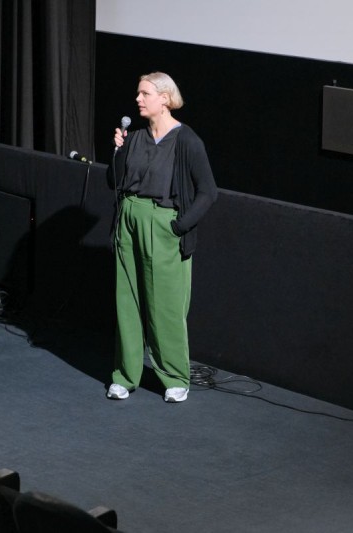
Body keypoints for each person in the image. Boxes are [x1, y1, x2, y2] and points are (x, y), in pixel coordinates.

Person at [106, 71, 218, 403]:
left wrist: (178, 227)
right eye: (138, 94)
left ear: (165, 98)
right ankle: (124, 375)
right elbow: (113, 182)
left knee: (165, 305)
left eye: (145, 94)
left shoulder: (187, 141)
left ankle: (174, 377)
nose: (138, 99)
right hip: (129, 219)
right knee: (127, 300)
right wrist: (118, 150)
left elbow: (208, 192)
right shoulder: (136, 138)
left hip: (163, 224)